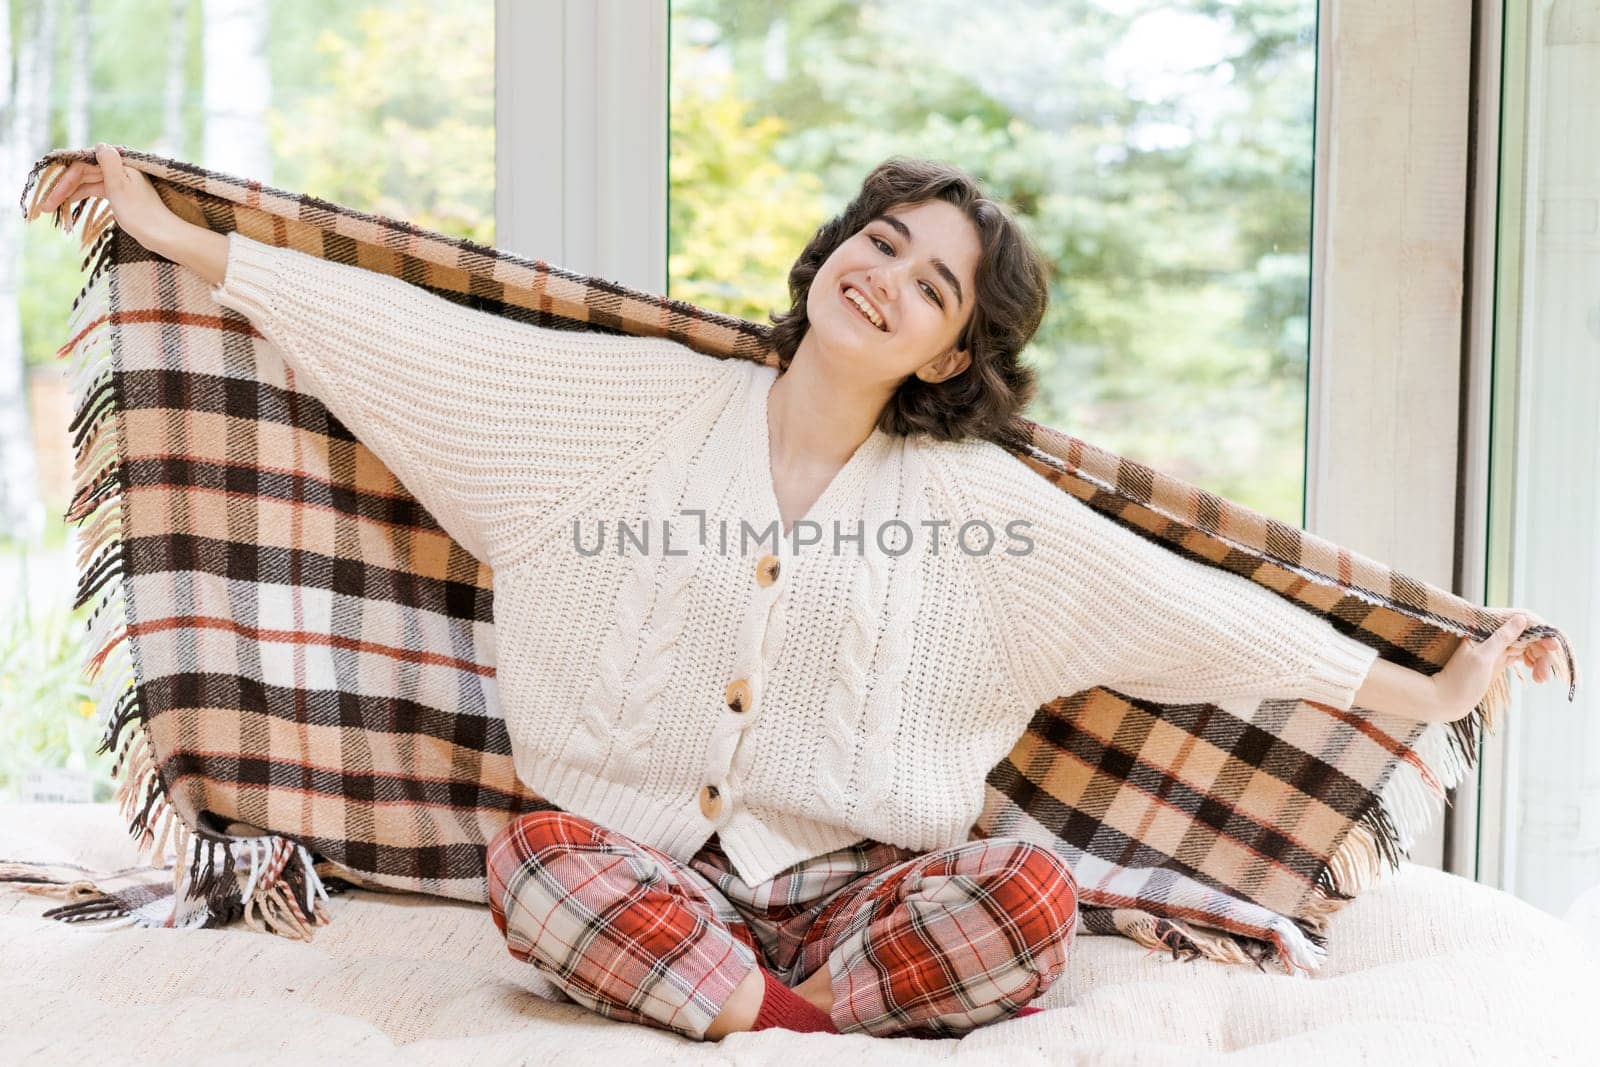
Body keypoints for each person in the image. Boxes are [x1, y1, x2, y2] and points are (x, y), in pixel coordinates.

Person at [39, 143, 1567, 1041]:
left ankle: (778, 1011)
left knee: (1032, 894)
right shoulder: (629, 410)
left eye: (932, 284)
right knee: (533, 871)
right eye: (878, 241)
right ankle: (798, 1025)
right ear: (832, 255)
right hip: (643, 871)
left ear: (949, 354)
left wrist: (1422, 689)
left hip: (855, 894)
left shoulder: (982, 514)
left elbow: (1192, 613)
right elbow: (407, 344)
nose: (886, 276)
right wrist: (187, 243)